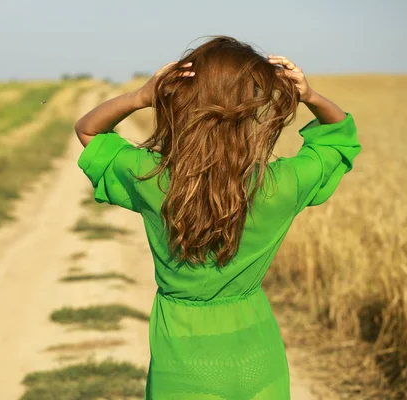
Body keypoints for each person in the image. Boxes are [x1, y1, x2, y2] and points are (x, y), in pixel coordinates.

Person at [75, 35, 361, 400]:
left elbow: (88, 129)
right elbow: (339, 140)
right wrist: (311, 97)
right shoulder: (281, 185)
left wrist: (142, 96)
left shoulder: (153, 178)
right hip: (258, 358)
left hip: (180, 360)